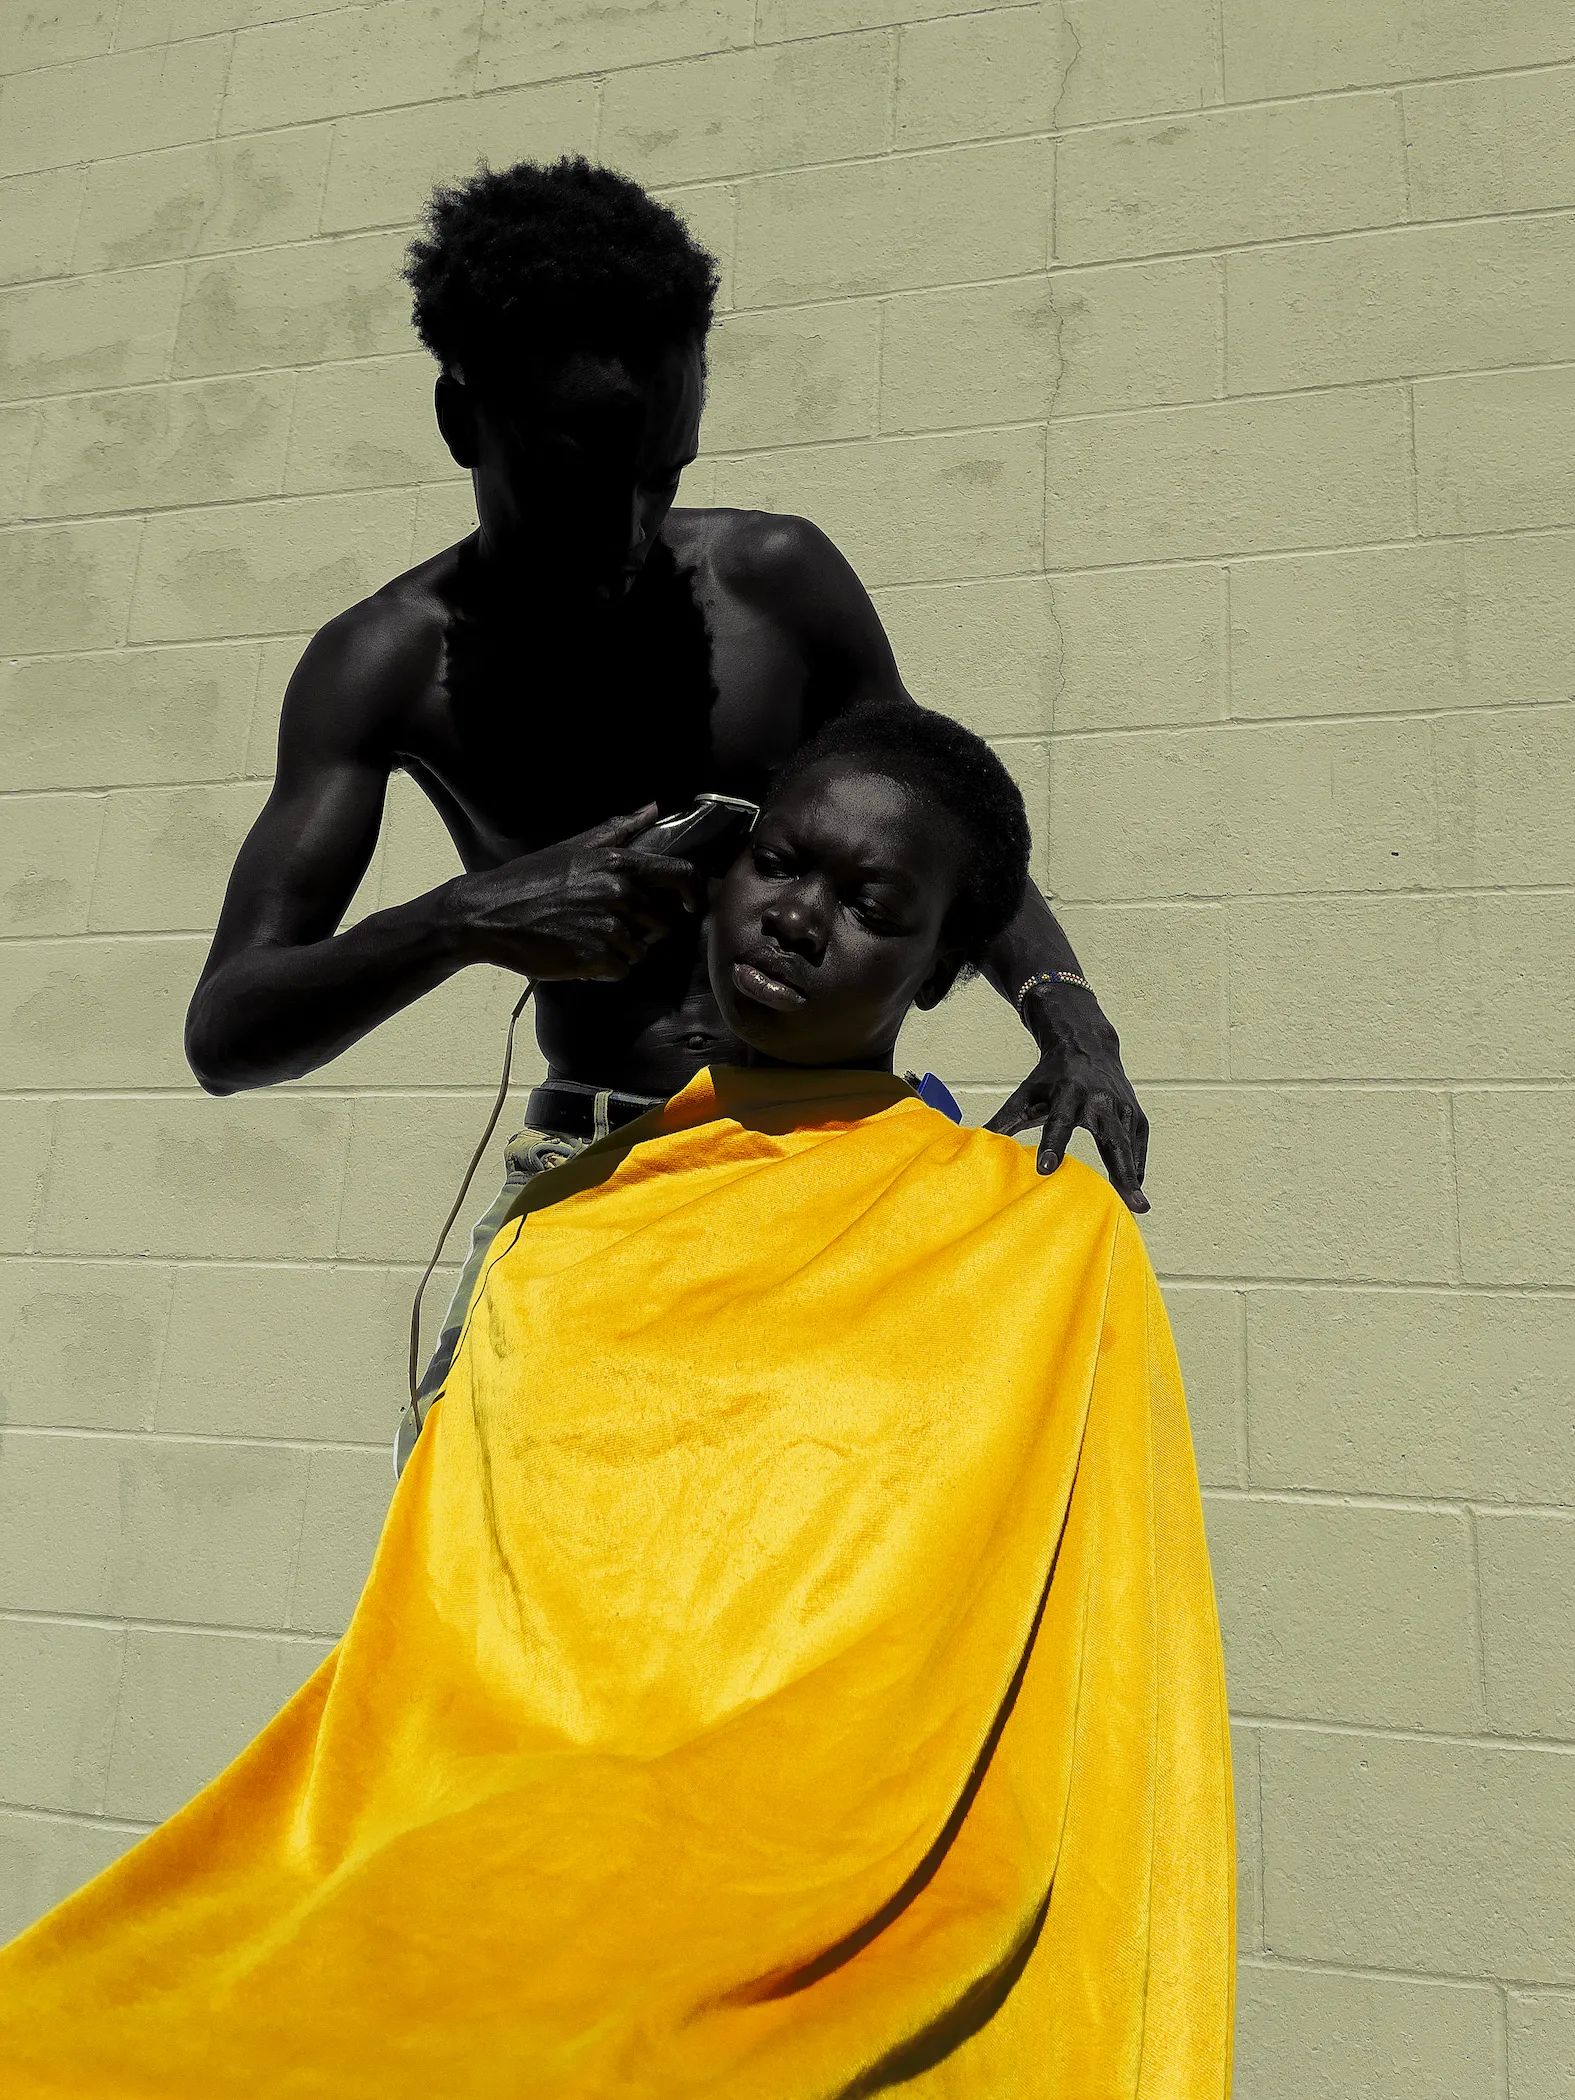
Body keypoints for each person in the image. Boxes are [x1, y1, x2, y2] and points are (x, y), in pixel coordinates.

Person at [0, 705, 1233, 2097]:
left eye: (869, 905)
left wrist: (1071, 1011)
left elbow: (1079, 1639)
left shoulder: (1032, 1240)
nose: (795, 918)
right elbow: (471, 1653)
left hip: (822, 1847)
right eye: (778, 865)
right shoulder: (567, 1231)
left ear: (945, 965)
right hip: (521, 1827)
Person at [183, 157, 1151, 1234]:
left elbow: (947, 827)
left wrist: (1070, 1018)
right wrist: (460, 923)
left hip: (832, 1151)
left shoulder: (777, 583)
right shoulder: (382, 666)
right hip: (595, 1167)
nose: (630, 530)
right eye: (580, 484)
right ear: (463, 421)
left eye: (665, 475)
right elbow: (226, 1034)